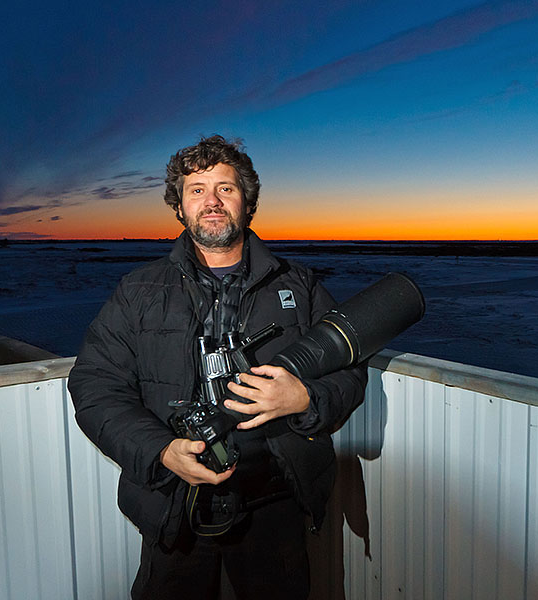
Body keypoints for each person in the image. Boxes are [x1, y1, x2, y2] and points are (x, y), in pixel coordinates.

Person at [68, 135, 367, 599]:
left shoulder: (300, 286)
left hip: (275, 498)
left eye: (226, 188)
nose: (212, 201)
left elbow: (349, 370)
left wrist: (306, 398)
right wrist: (161, 451)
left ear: (248, 202)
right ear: (180, 207)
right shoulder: (139, 291)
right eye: (197, 189)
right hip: (174, 500)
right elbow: (94, 384)